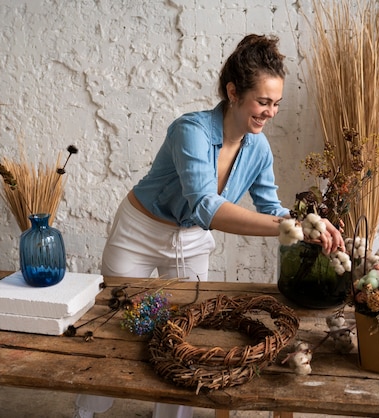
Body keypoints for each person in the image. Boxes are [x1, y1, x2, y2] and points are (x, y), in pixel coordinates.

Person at [75, 34, 344, 418]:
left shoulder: (258, 148)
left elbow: (272, 208)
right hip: (140, 231)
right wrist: (292, 227)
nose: (270, 112)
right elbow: (206, 207)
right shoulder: (191, 130)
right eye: (263, 102)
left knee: (184, 334)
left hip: (192, 241)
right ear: (234, 92)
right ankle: (88, 410)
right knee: (119, 325)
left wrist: (312, 224)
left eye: (276, 104)